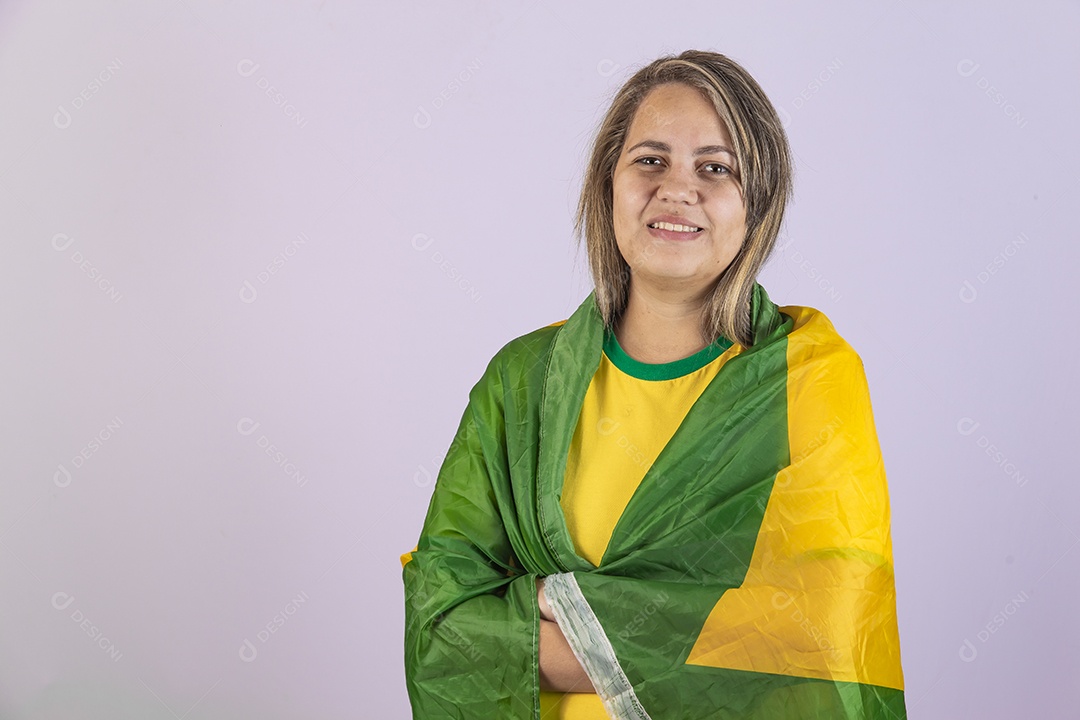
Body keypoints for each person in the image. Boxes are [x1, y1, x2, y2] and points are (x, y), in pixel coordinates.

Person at [401, 49, 907, 719]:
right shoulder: (522, 382)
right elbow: (440, 626)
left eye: (714, 168)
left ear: (757, 201)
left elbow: (814, 632)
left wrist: (546, 603)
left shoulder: (806, 378)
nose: (677, 188)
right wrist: (683, 637)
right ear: (606, 183)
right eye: (650, 160)